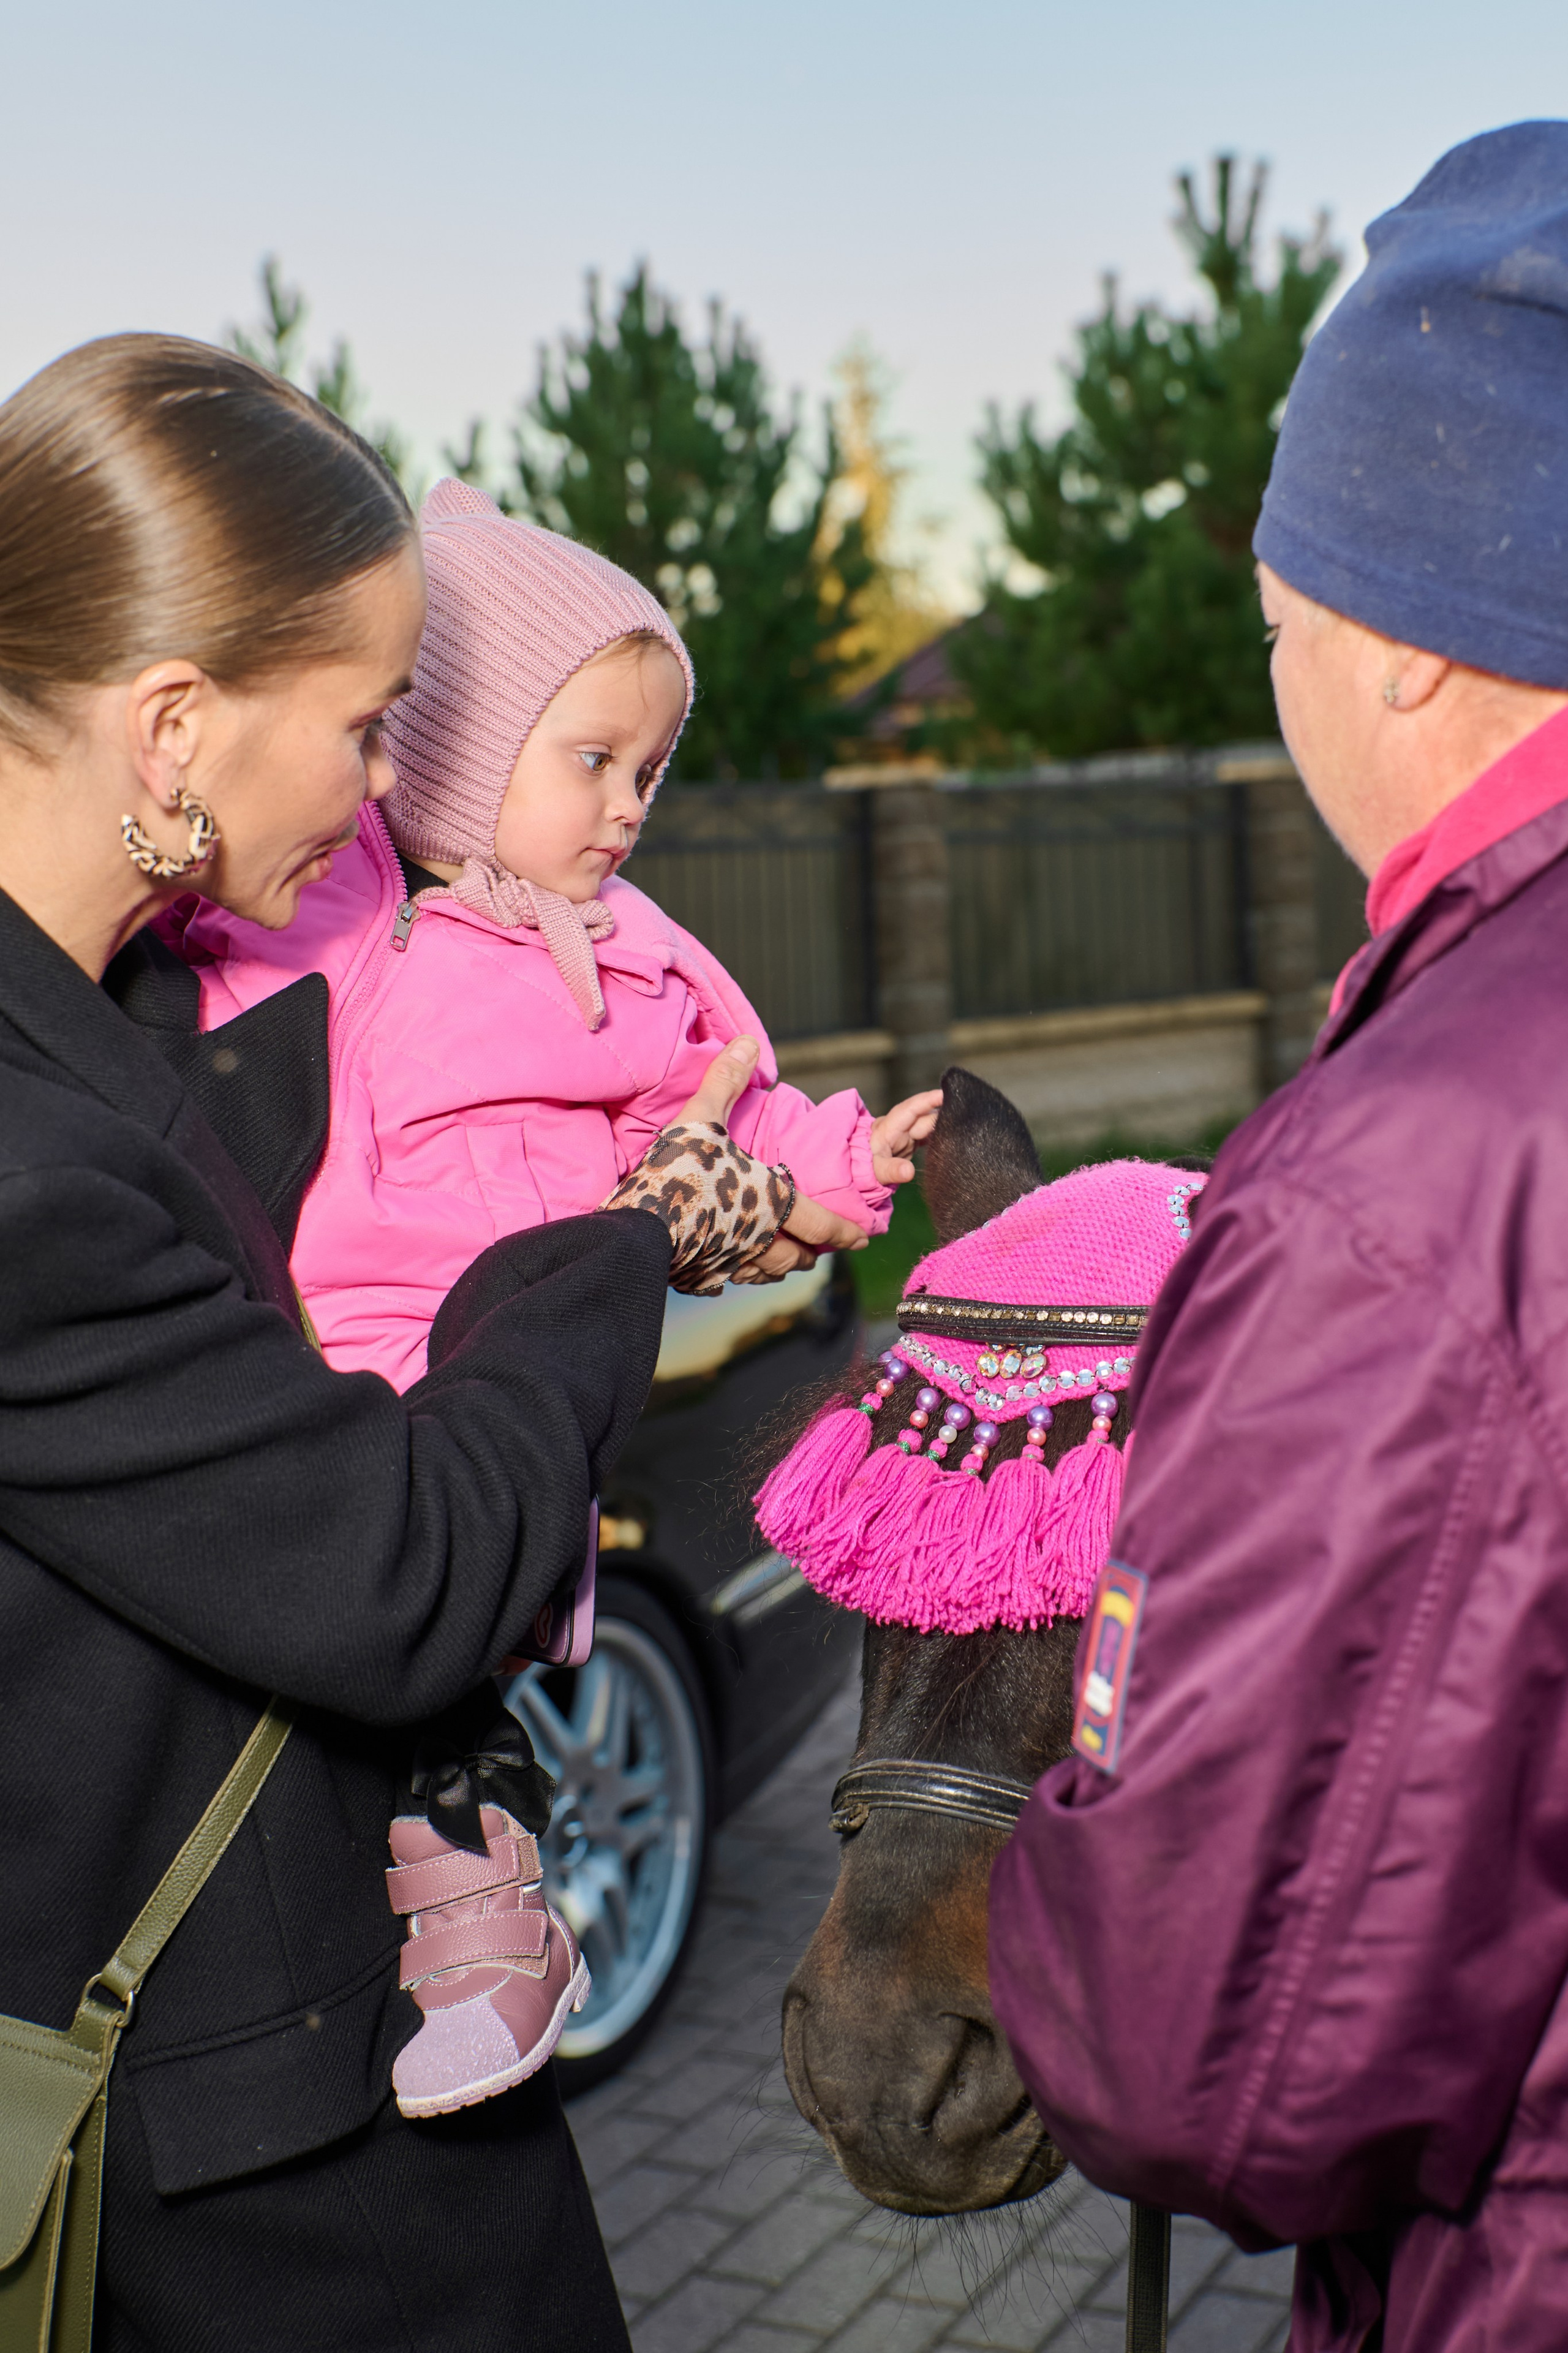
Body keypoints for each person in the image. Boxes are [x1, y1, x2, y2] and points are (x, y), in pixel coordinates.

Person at [0, 333, 858, 2353]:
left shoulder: (137, 1018)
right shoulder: (28, 1164)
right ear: (175, 722)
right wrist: (614, 1229)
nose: (401, 788)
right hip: (248, 2192)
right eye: (372, 727)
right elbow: (404, 1570)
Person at [987, 121, 1568, 2353]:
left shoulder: (1402, 1175)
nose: (1277, 678)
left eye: (1277, 618)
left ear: (1413, 640)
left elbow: (1210, 2061)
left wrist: (1030, 1872)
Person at [165, 477, 939, 2116]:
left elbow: (729, 1105)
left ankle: (493, 1955)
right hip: (353, 1367)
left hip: (528, 1386)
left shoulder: (634, 957)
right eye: (590, 758)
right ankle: (477, 1940)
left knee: (463, 1703)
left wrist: (850, 1159)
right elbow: (202, 902)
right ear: (451, 747)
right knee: (411, 1693)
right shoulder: (347, 914)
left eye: (647, 769)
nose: (627, 805)